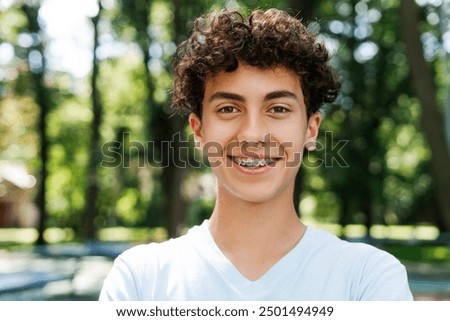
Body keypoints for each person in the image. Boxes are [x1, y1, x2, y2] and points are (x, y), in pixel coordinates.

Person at [99, 8, 413, 301]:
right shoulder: (140, 281)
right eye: (228, 108)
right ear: (198, 131)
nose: (252, 134)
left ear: (311, 129)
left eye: (278, 108)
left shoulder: (367, 280)